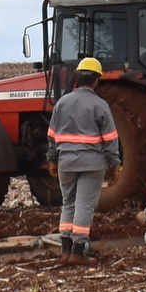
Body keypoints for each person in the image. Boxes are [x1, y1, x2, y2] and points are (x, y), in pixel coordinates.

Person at [47, 56, 121, 259]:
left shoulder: (62, 103)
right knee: (84, 206)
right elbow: (110, 140)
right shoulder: (100, 105)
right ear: (97, 80)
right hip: (92, 164)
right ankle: (78, 253)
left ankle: (65, 250)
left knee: (68, 203)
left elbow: (52, 136)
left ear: (77, 77)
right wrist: (114, 166)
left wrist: (52, 159)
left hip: (66, 163)